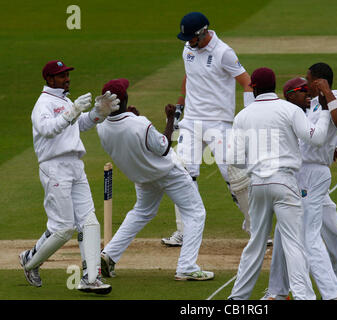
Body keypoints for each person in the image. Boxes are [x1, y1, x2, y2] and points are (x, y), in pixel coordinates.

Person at [227, 67, 333, 300]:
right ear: (275, 86)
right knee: (294, 243)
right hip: (285, 182)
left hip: (257, 184)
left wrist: (256, 167)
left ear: (253, 87)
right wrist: (325, 112)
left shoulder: (242, 116)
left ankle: (238, 298)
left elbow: (234, 159)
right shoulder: (288, 109)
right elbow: (316, 138)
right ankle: (304, 297)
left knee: (255, 244)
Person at [96, 79, 214, 281]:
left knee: (142, 212)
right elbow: (164, 147)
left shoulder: (102, 127)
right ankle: (186, 267)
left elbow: (131, 136)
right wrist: (170, 120)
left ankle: (109, 255)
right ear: (124, 99)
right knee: (195, 213)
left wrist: (133, 117)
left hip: (141, 177)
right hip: (168, 173)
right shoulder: (139, 124)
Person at [20, 60, 120, 294]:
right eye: (61, 75)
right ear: (49, 79)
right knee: (63, 227)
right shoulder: (43, 104)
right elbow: (48, 129)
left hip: (75, 165)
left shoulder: (64, 100)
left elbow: (79, 125)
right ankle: (29, 261)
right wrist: (73, 110)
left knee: (89, 222)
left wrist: (98, 114)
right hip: (54, 166)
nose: (66, 78)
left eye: (67, 74)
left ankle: (90, 278)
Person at [161, 11, 255, 247]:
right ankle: (184, 231)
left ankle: (257, 229)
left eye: (192, 38)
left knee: (236, 177)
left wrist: (249, 115)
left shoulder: (224, 52)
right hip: (191, 122)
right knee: (182, 174)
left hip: (219, 122)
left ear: (203, 33)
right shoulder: (188, 49)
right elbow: (188, 76)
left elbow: (247, 81)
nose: (188, 43)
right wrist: (181, 104)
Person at [263, 68, 337, 300]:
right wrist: (328, 148)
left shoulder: (330, 100)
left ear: (319, 81)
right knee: (294, 231)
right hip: (302, 174)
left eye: (308, 79)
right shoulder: (311, 104)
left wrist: (326, 92)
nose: (305, 83)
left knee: (323, 234)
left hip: (313, 177)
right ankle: (279, 290)